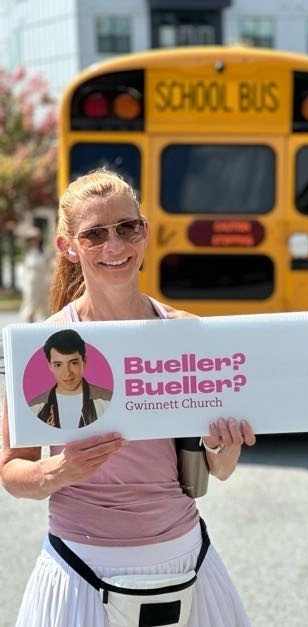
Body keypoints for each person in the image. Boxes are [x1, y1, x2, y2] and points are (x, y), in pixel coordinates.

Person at [0, 169, 256, 626]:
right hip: (79, 567)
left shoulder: (186, 333)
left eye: (126, 228)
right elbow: (11, 472)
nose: (114, 246)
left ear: (145, 232)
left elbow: (217, 469)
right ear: (69, 248)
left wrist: (224, 444)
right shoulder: (41, 347)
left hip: (185, 562)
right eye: (94, 235)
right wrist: (57, 470)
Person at [28, 329, 112, 429]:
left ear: (84, 361)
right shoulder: (35, 407)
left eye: (73, 363)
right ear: (50, 366)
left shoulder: (108, 401)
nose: (67, 373)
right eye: (58, 365)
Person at [19, 225, 50, 322]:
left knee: (45, 306)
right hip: (31, 283)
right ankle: (29, 325)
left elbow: (49, 268)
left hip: (43, 283)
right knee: (31, 304)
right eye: (31, 239)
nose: (33, 241)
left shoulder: (44, 252)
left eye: (35, 239)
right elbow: (23, 270)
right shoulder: (26, 253)